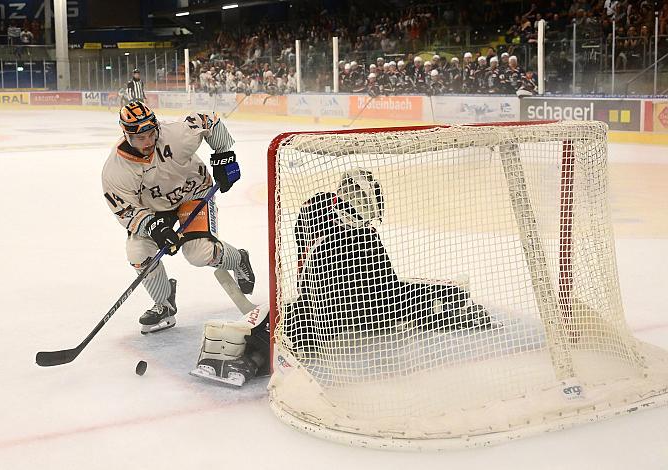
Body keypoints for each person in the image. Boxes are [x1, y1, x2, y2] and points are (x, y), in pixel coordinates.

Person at [281, 169, 494, 353]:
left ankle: (447, 303)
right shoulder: (335, 221)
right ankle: (444, 307)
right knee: (392, 303)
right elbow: (387, 288)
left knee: (404, 298)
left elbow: (385, 282)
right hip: (332, 303)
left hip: (341, 301)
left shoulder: (353, 227)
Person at [102, 101, 255, 334]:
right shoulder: (116, 169)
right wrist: (153, 227)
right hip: (154, 210)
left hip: (193, 193)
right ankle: (164, 304)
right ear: (126, 134)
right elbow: (125, 210)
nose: (148, 142)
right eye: (140, 138)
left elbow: (209, 121)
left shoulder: (175, 135)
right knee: (138, 254)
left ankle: (238, 259)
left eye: (151, 134)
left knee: (199, 254)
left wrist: (224, 157)